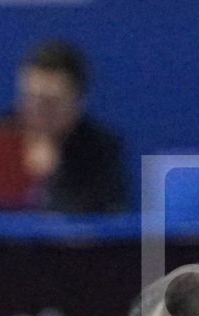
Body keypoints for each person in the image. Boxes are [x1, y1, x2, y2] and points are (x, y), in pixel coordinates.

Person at [17, 40, 127, 214]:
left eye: (50, 101)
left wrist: (51, 176)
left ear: (77, 100)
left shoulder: (101, 149)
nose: (37, 109)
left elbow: (107, 216)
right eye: (30, 97)